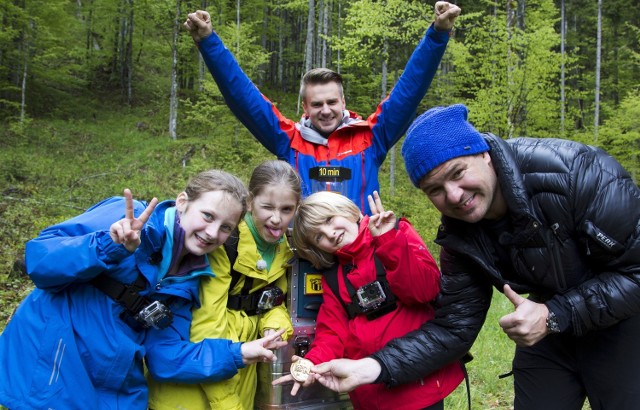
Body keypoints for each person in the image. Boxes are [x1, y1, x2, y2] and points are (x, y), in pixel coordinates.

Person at [306, 104, 640, 410]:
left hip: (625, 320)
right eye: (435, 190)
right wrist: (373, 367)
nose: (453, 195)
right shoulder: (460, 237)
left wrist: (555, 313)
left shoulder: (576, 173)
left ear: (484, 155)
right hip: (548, 330)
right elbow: (453, 327)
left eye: (457, 173)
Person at [0, 170, 288, 410]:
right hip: (55, 367)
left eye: (226, 227)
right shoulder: (129, 218)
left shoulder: (191, 278)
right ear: (183, 201)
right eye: (208, 216)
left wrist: (238, 353)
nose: (213, 233)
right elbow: (40, 262)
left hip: (111, 382)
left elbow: (164, 357)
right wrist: (109, 246)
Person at [183, 2, 461, 214]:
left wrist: (437, 34)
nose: (325, 110)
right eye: (317, 104)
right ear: (305, 106)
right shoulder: (288, 141)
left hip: (359, 255)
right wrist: (209, 42)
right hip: (303, 256)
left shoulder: (372, 137)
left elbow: (409, 91)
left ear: (343, 102)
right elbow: (243, 96)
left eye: (332, 102)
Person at [271, 190, 464, 410]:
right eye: (319, 236)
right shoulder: (335, 276)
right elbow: (332, 332)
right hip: (369, 391)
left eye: (329, 220)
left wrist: (388, 241)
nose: (330, 233)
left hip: (418, 384)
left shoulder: (397, 232)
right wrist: (312, 362)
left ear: (346, 210)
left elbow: (425, 290)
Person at [147, 160, 301, 410]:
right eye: (267, 207)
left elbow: (273, 300)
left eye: (286, 209)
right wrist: (230, 405)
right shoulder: (223, 243)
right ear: (251, 203)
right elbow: (206, 331)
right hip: (193, 390)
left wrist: (275, 324)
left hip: (241, 371)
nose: (276, 219)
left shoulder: (282, 247)